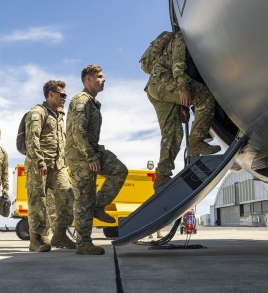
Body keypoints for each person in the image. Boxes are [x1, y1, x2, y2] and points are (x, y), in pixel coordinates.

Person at [145, 30, 221, 190]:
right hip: (164, 81)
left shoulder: (169, 45)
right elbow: (178, 63)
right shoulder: (182, 36)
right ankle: (196, 142)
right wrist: (183, 88)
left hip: (154, 87)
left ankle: (162, 176)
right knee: (205, 96)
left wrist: (181, 105)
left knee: (172, 133)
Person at [66, 64, 128, 255]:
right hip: (80, 156)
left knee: (119, 170)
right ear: (88, 80)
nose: (104, 80)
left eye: (103, 76)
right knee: (84, 198)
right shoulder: (81, 100)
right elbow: (77, 131)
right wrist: (90, 156)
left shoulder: (92, 102)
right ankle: (83, 243)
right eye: (99, 77)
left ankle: (99, 207)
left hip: (91, 150)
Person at [24, 80, 77, 252]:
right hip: (39, 164)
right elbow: (32, 139)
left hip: (58, 165)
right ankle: (36, 239)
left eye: (65, 95)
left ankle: (59, 235)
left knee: (69, 195)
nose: (65, 98)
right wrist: (39, 160)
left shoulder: (59, 116)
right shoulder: (37, 112)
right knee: (38, 201)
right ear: (50, 94)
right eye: (62, 95)